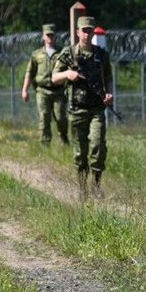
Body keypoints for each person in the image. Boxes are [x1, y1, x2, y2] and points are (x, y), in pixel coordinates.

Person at [52, 16, 114, 199]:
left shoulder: (101, 55)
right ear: (78, 32)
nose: (87, 34)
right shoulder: (68, 53)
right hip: (77, 108)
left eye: (90, 30)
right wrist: (68, 74)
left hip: (97, 108)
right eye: (84, 30)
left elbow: (108, 78)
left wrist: (109, 94)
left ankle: (96, 185)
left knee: (98, 146)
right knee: (80, 152)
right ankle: (82, 188)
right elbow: (54, 77)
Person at [21, 24, 68, 145]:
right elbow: (30, 72)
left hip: (58, 91)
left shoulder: (62, 53)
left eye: (52, 35)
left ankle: (64, 139)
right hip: (42, 91)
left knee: (61, 117)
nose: (50, 37)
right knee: (44, 117)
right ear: (43, 36)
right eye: (48, 35)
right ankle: (44, 143)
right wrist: (25, 90)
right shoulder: (37, 54)